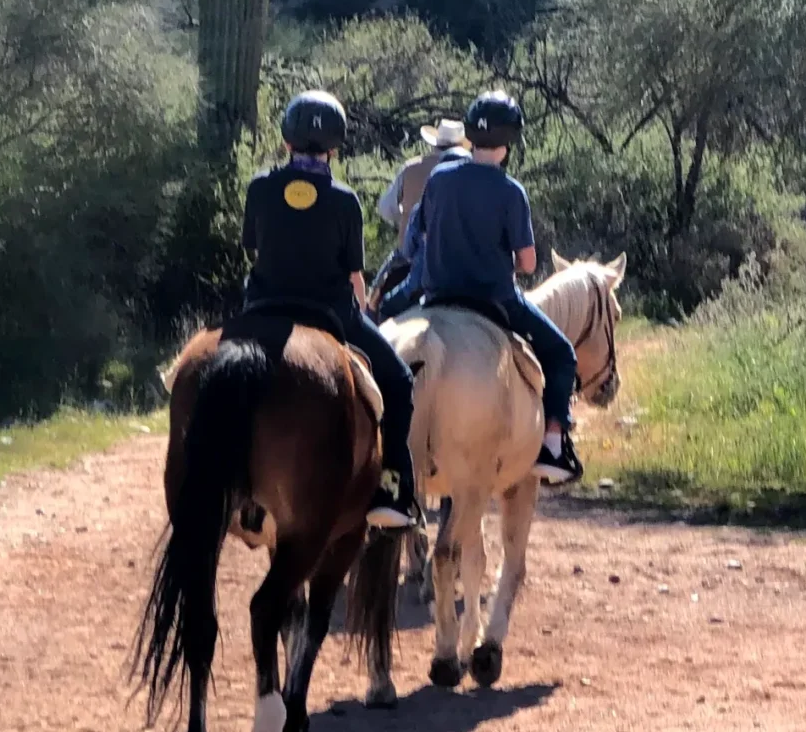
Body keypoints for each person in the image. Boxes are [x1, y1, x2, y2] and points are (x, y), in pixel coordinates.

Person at [239, 89, 421, 531]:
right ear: (336, 148)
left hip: (264, 309)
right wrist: (363, 307)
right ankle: (393, 489)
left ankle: (237, 486)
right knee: (398, 383)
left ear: (286, 142)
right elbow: (355, 276)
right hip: (331, 315)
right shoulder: (344, 200)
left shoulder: (260, 187)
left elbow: (251, 252)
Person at [396, 90, 583, 484]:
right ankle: (552, 446)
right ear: (509, 142)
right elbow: (528, 262)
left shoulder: (440, 178)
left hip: (436, 297)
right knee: (562, 353)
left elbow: (421, 236)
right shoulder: (511, 191)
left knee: (380, 340)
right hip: (494, 300)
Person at [370, 117, 468, 309]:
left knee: (373, 300)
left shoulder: (411, 168)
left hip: (409, 257)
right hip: (458, 259)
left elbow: (385, 208)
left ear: (435, 143)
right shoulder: (470, 172)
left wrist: (404, 216)